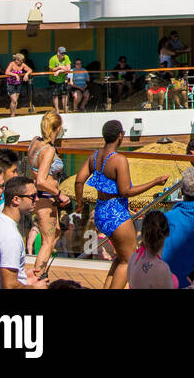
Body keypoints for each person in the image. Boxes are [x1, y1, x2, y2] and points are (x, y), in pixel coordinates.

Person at [74, 119, 167, 288]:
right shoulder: (119, 160)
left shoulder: (94, 157)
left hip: (101, 211)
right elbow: (125, 191)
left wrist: (80, 205)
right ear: (120, 136)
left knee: (120, 258)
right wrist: (155, 182)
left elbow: (79, 181)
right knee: (129, 260)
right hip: (116, 213)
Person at [0, 177, 48, 289]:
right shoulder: (10, 237)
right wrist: (36, 288)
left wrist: (22, 275)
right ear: (16, 199)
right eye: (33, 196)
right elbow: (10, 286)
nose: (37, 199)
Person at [28, 111, 72, 275]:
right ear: (58, 128)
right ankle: (38, 275)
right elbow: (41, 179)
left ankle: (41, 271)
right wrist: (59, 193)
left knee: (56, 234)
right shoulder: (48, 150)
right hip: (45, 197)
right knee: (47, 241)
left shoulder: (34, 142)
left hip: (41, 196)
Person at [3, 52, 32, 116]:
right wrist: (15, 75)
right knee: (14, 100)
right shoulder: (12, 64)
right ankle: (12, 115)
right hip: (11, 84)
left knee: (16, 100)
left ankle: (13, 113)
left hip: (18, 84)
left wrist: (26, 74)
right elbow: (7, 72)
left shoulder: (22, 65)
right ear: (16, 60)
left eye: (22, 61)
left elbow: (30, 70)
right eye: (20, 61)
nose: (21, 62)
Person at [47, 46, 72, 114]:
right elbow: (52, 69)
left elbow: (68, 68)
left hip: (63, 79)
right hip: (54, 80)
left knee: (64, 94)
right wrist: (60, 67)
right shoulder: (52, 59)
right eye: (62, 53)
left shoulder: (66, 57)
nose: (63, 55)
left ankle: (64, 110)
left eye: (64, 53)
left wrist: (58, 71)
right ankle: (57, 110)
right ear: (58, 53)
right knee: (55, 95)